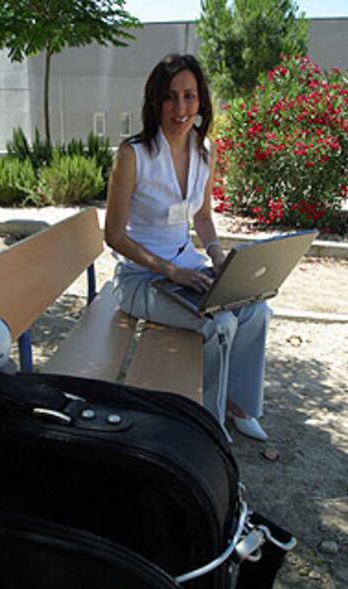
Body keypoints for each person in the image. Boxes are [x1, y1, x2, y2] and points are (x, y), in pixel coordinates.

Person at [105, 53, 272, 442]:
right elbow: (113, 235)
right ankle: (208, 421)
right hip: (140, 280)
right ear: (155, 101)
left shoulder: (205, 150)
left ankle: (238, 404)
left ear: (201, 101)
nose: (180, 108)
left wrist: (217, 257)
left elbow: (202, 217)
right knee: (220, 322)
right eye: (170, 97)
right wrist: (170, 270)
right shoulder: (132, 155)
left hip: (190, 269)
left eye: (189, 96)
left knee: (256, 310)